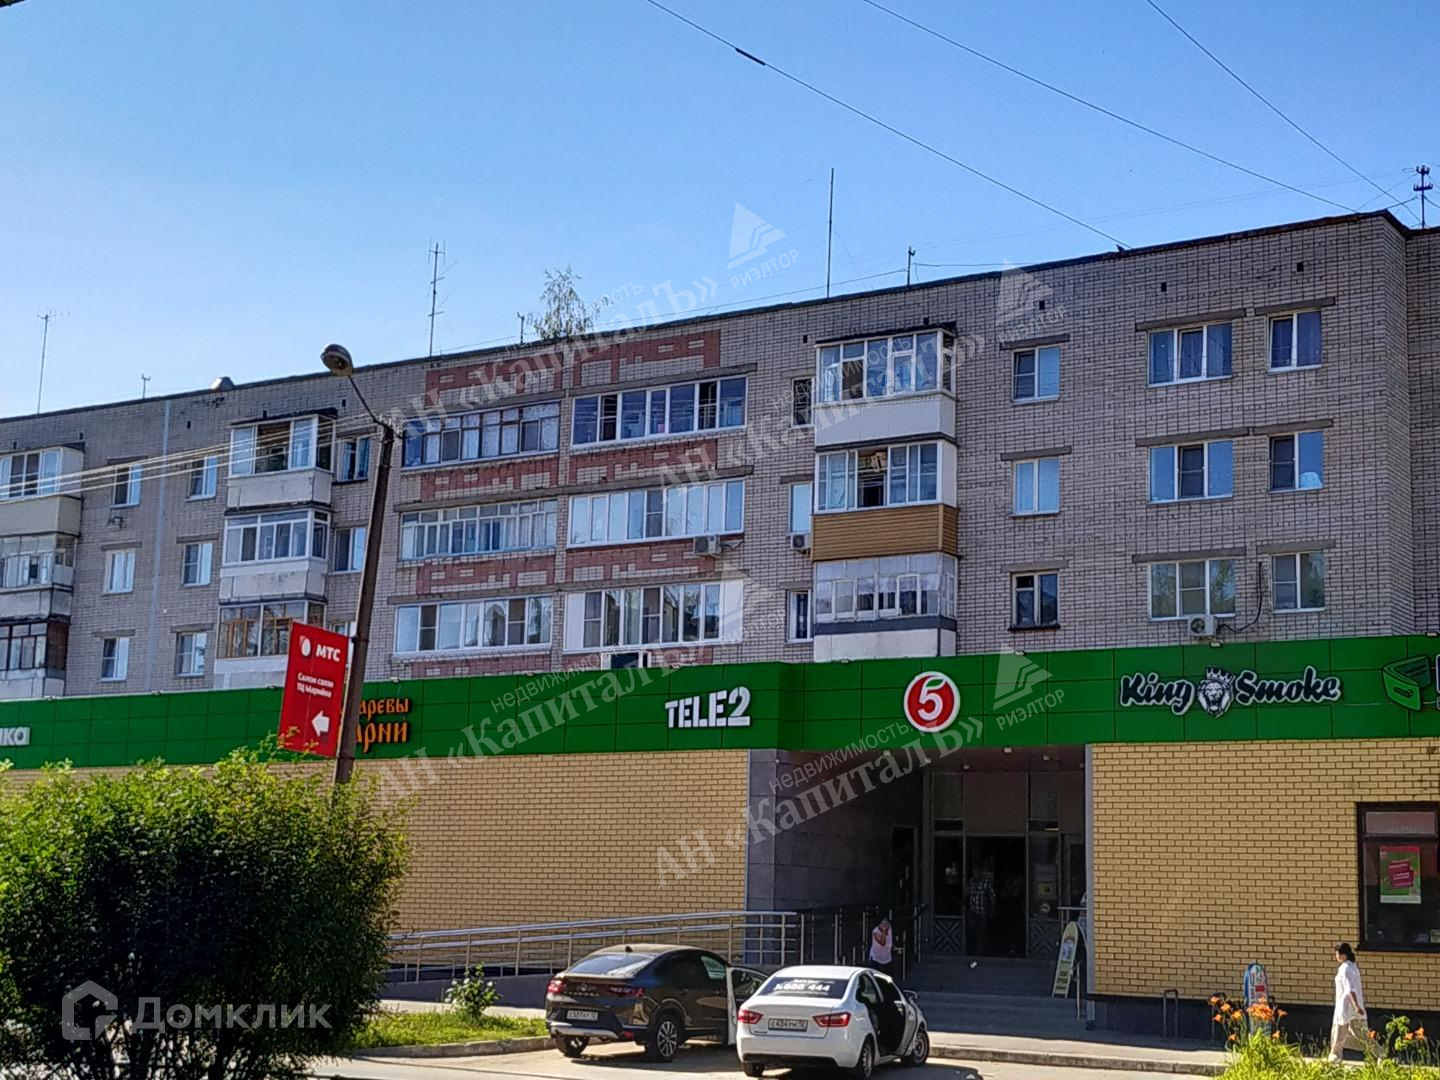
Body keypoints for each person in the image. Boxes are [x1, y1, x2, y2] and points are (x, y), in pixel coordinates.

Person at [1329, 943, 1381, 1062]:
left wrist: (1355, 1005)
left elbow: (1350, 989)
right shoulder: (1353, 967)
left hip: (1345, 1007)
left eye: (1337, 954)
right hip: (1352, 1008)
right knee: (1361, 1034)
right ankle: (1379, 1053)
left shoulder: (1345, 969)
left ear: (1343, 955)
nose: (1336, 957)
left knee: (1338, 1034)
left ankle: (1335, 1056)